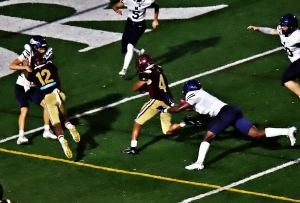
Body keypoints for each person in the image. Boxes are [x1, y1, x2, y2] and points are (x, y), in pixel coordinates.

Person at [157, 79, 297, 170]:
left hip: (224, 112)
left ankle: (199, 163)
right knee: (256, 134)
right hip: (232, 110)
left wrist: (165, 109)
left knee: (207, 137)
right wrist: (172, 106)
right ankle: (287, 131)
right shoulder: (200, 94)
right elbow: (187, 107)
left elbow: (180, 109)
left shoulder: (192, 94)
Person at [122, 54, 200, 154]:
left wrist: (143, 85)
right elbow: (154, 82)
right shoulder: (158, 68)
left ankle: (133, 148)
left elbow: (135, 88)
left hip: (157, 101)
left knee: (138, 122)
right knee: (167, 131)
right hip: (167, 98)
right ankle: (185, 121)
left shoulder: (146, 74)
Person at [24, 53, 80, 159]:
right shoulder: (50, 66)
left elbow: (28, 76)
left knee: (57, 125)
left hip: (49, 98)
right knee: (65, 119)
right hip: (60, 94)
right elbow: (53, 68)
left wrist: (26, 66)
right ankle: (70, 126)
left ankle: (63, 141)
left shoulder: (34, 73)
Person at [9, 35, 57, 145]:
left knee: (47, 105)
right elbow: (12, 66)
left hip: (33, 86)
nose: (42, 50)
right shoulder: (27, 53)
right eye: (40, 48)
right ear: (35, 47)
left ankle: (47, 130)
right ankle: (21, 136)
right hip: (21, 85)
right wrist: (24, 67)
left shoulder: (44, 56)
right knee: (24, 110)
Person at [247, 14, 300, 97]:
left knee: (286, 79)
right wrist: (259, 28)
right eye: (282, 25)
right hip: (295, 62)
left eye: (284, 26)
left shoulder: (297, 36)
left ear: (291, 27)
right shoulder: (283, 30)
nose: (282, 27)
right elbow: (273, 31)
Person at [112, 0, 159, 76]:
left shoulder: (146, 1)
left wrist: (155, 20)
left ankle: (124, 69)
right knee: (124, 49)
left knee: (130, 46)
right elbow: (115, 6)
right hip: (129, 24)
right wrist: (116, 9)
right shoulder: (128, 0)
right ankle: (138, 51)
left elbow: (156, 5)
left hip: (140, 25)